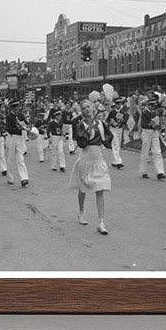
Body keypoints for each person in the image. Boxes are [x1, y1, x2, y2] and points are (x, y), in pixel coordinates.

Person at [69, 99, 112, 235]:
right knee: (83, 189)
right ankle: (81, 211)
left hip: (98, 159)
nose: (86, 109)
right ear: (81, 112)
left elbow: (108, 137)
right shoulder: (81, 125)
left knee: (100, 189)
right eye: (83, 108)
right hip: (86, 159)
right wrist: (84, 136)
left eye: (88, 107)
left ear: (93, 108)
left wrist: (106, 142)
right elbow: (80, 144)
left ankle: (101, 222)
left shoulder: (100, 123)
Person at [137, 94, 166, 180]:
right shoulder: (145, 113)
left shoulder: (155, 113)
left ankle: (160, 172)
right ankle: (143, 171)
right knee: (145, 152)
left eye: (154, 105)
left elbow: (159, 122)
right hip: (147, 132)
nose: (153, 107)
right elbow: (143, 124)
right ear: (148, 105)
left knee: (157, 151)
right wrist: (151, 125)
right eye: (151, 105)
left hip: (154, 133)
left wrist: (159, 126)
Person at [5, 99, 30, 187]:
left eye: (18, 107)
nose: (17, 109)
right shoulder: (9, 116)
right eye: (15, 108)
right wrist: (17, 129)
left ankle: (24, 178)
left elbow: (27, 123)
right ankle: (10, 177)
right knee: (10, 159)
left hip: (20, 138)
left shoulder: (20, 115)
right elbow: (7, 128)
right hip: (12, 137)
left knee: (21, 158)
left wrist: (28, 127)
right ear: (12, 108)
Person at [107, 100, 126, 169]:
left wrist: (123, 120)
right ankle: (118, 162)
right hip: (113, 129)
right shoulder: (112, 112)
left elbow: (125, 121)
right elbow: (108, 120)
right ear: (115, 105)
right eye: (117, 104)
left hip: (119, 129)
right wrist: (111, 122)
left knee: (118, 144)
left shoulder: (122, 112)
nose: (118, 105)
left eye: (120, 104)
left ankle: (114, 161)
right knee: (115, 143)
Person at [47, 102, 66, 171]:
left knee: (61, 151)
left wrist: (63, 133)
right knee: (54, 152)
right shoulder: (52, 123)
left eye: (61, 116)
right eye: (59, 115)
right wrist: (49, 137)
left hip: (60, 137)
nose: (61, 117)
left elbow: (62, 130)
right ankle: (54, 165)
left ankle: (62, 165)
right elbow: (48, 130)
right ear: (56, 116)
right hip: (54, 137)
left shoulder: (61, 123)